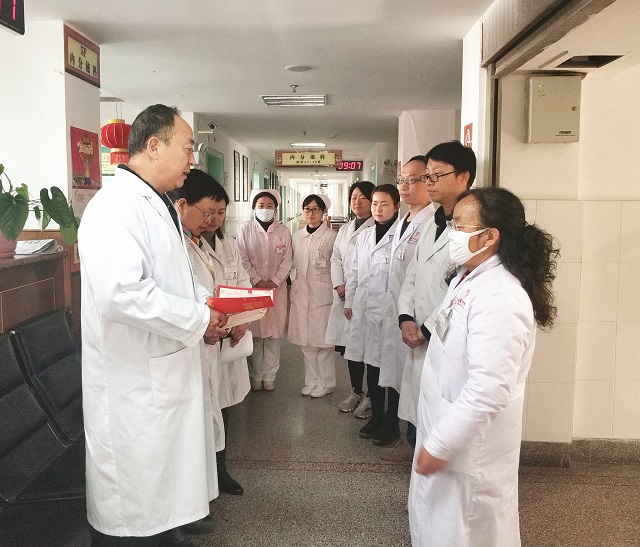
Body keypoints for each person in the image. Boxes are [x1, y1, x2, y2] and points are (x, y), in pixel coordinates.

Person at [78, 104, 228, 546]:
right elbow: (122, 293)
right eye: (187, 148)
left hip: (164, 376)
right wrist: (198, 318)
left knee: (163, 503)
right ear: (154, 146)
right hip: (135, 389)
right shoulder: (115, 206)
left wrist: (203, 304)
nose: (192, 160)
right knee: (136, 514)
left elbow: (175, 277)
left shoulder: (159, 203)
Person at [409, 187, 558, 546]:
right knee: (437, 529)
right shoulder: (469, 277)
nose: (451, 234)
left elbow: (489, 388)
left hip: (468, 454)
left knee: (466, 534)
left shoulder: (500, 296)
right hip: (447, 434)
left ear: (489, 236)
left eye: (460, 226)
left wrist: (440, 444)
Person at [169, 169, 249, 498]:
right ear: (182, 205)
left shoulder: (204, 241)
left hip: (218, 335)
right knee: (202, 413)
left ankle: (218, 472)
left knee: (219, 407)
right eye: (208, 212)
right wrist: (206, 320)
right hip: (196, 341)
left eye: (219, 212)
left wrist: (242, 317)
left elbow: (238, 281)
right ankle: (201, 484)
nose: (212, 219)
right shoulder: (179, 244)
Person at [397, 141, 476, 458]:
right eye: (426, 176)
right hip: (418, 330)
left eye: (436, 175)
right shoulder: (432, 220)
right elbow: (413, 273)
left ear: (463, 177)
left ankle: (430, 463)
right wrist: (405, 318)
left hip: (445, 336)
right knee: (419, 402)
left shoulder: (475, 227)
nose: (429, 182)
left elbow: (464, 287)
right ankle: (416, 456)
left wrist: (427, 328)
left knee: (441, 411)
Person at [376, 156, 434, 455]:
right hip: (400, 315)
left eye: (413, 180)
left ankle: (413, 442)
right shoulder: (403, 221)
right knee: (400, 379)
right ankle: (397, 429)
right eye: (402, 179)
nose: (405, 185)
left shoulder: (432, 222)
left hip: (417, 319)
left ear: (429, 181)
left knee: (416, 385)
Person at [343, 184, 400, 445]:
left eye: (384, 203)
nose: (378, 208)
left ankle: (391, 421)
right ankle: (376, 416)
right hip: (366, 310)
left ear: (397, 207)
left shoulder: (401, 235)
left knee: (391, 369)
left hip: (390, 313)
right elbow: (354, 273)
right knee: (372, 367)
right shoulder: (364, 236)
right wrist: (350, 302)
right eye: (375, 203)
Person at [325, 181, 376, 417]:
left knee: (369, 348)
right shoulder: (345, 229)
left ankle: (371, 396)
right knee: (350, 347)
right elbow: (335, 258)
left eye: (363, 197)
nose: (357, 201)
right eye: (354, 197)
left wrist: (354, 290)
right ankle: (356, 391)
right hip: (344, 293)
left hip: (367, 297)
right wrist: (339, 284)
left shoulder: (378, 228)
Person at [236, 188, 293, 392]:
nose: (265, 209)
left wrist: (275, 281)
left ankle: (270, 375)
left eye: (270, 206)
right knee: (255, 334)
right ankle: (256, 375)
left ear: (276, 209)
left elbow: (288, 259)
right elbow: (241, 258)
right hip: (253, 289)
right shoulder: (245, 231)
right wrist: (257, 279)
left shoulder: (283, 232)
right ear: (254, 208)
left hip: (276, 289)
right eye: (261, 205)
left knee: (274, 336)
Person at [288, 194, 338, 398]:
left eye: (316, 209)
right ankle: (311, 381)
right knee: (306, 342)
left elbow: (337, 266)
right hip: (301, 294)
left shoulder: (331, 237)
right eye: (307, 209)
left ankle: (326, 383)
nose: (311, 213)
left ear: (323, 212)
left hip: (323, 296)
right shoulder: (296, 236)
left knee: (323, 344)